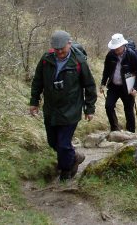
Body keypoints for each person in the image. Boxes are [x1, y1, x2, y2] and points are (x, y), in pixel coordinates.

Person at [29, 30, 97, 181]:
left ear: (69, 44)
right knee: (53, 142)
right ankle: (74, 157)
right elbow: (38, 81)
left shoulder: (79, 61)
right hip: (51, 109)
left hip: (71, 109)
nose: (59, 52)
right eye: (56, 49)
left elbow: (89, 85)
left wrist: (89, 108)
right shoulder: (46, 59)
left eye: (62, 49)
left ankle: (66, 172)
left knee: (63, 143)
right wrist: (34, 102)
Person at [100, 33, 137, 133]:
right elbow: (106, 70)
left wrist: (136, 88)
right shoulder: (110, 55)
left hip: (128, 85)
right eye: (114, 48)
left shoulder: (131, 55)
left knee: (128, 110)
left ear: (123, 45)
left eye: (117, 48)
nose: (116, 50)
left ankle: (131, 133)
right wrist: (103, 83)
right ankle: (115, 129)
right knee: (109, 106)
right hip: (113, 86)